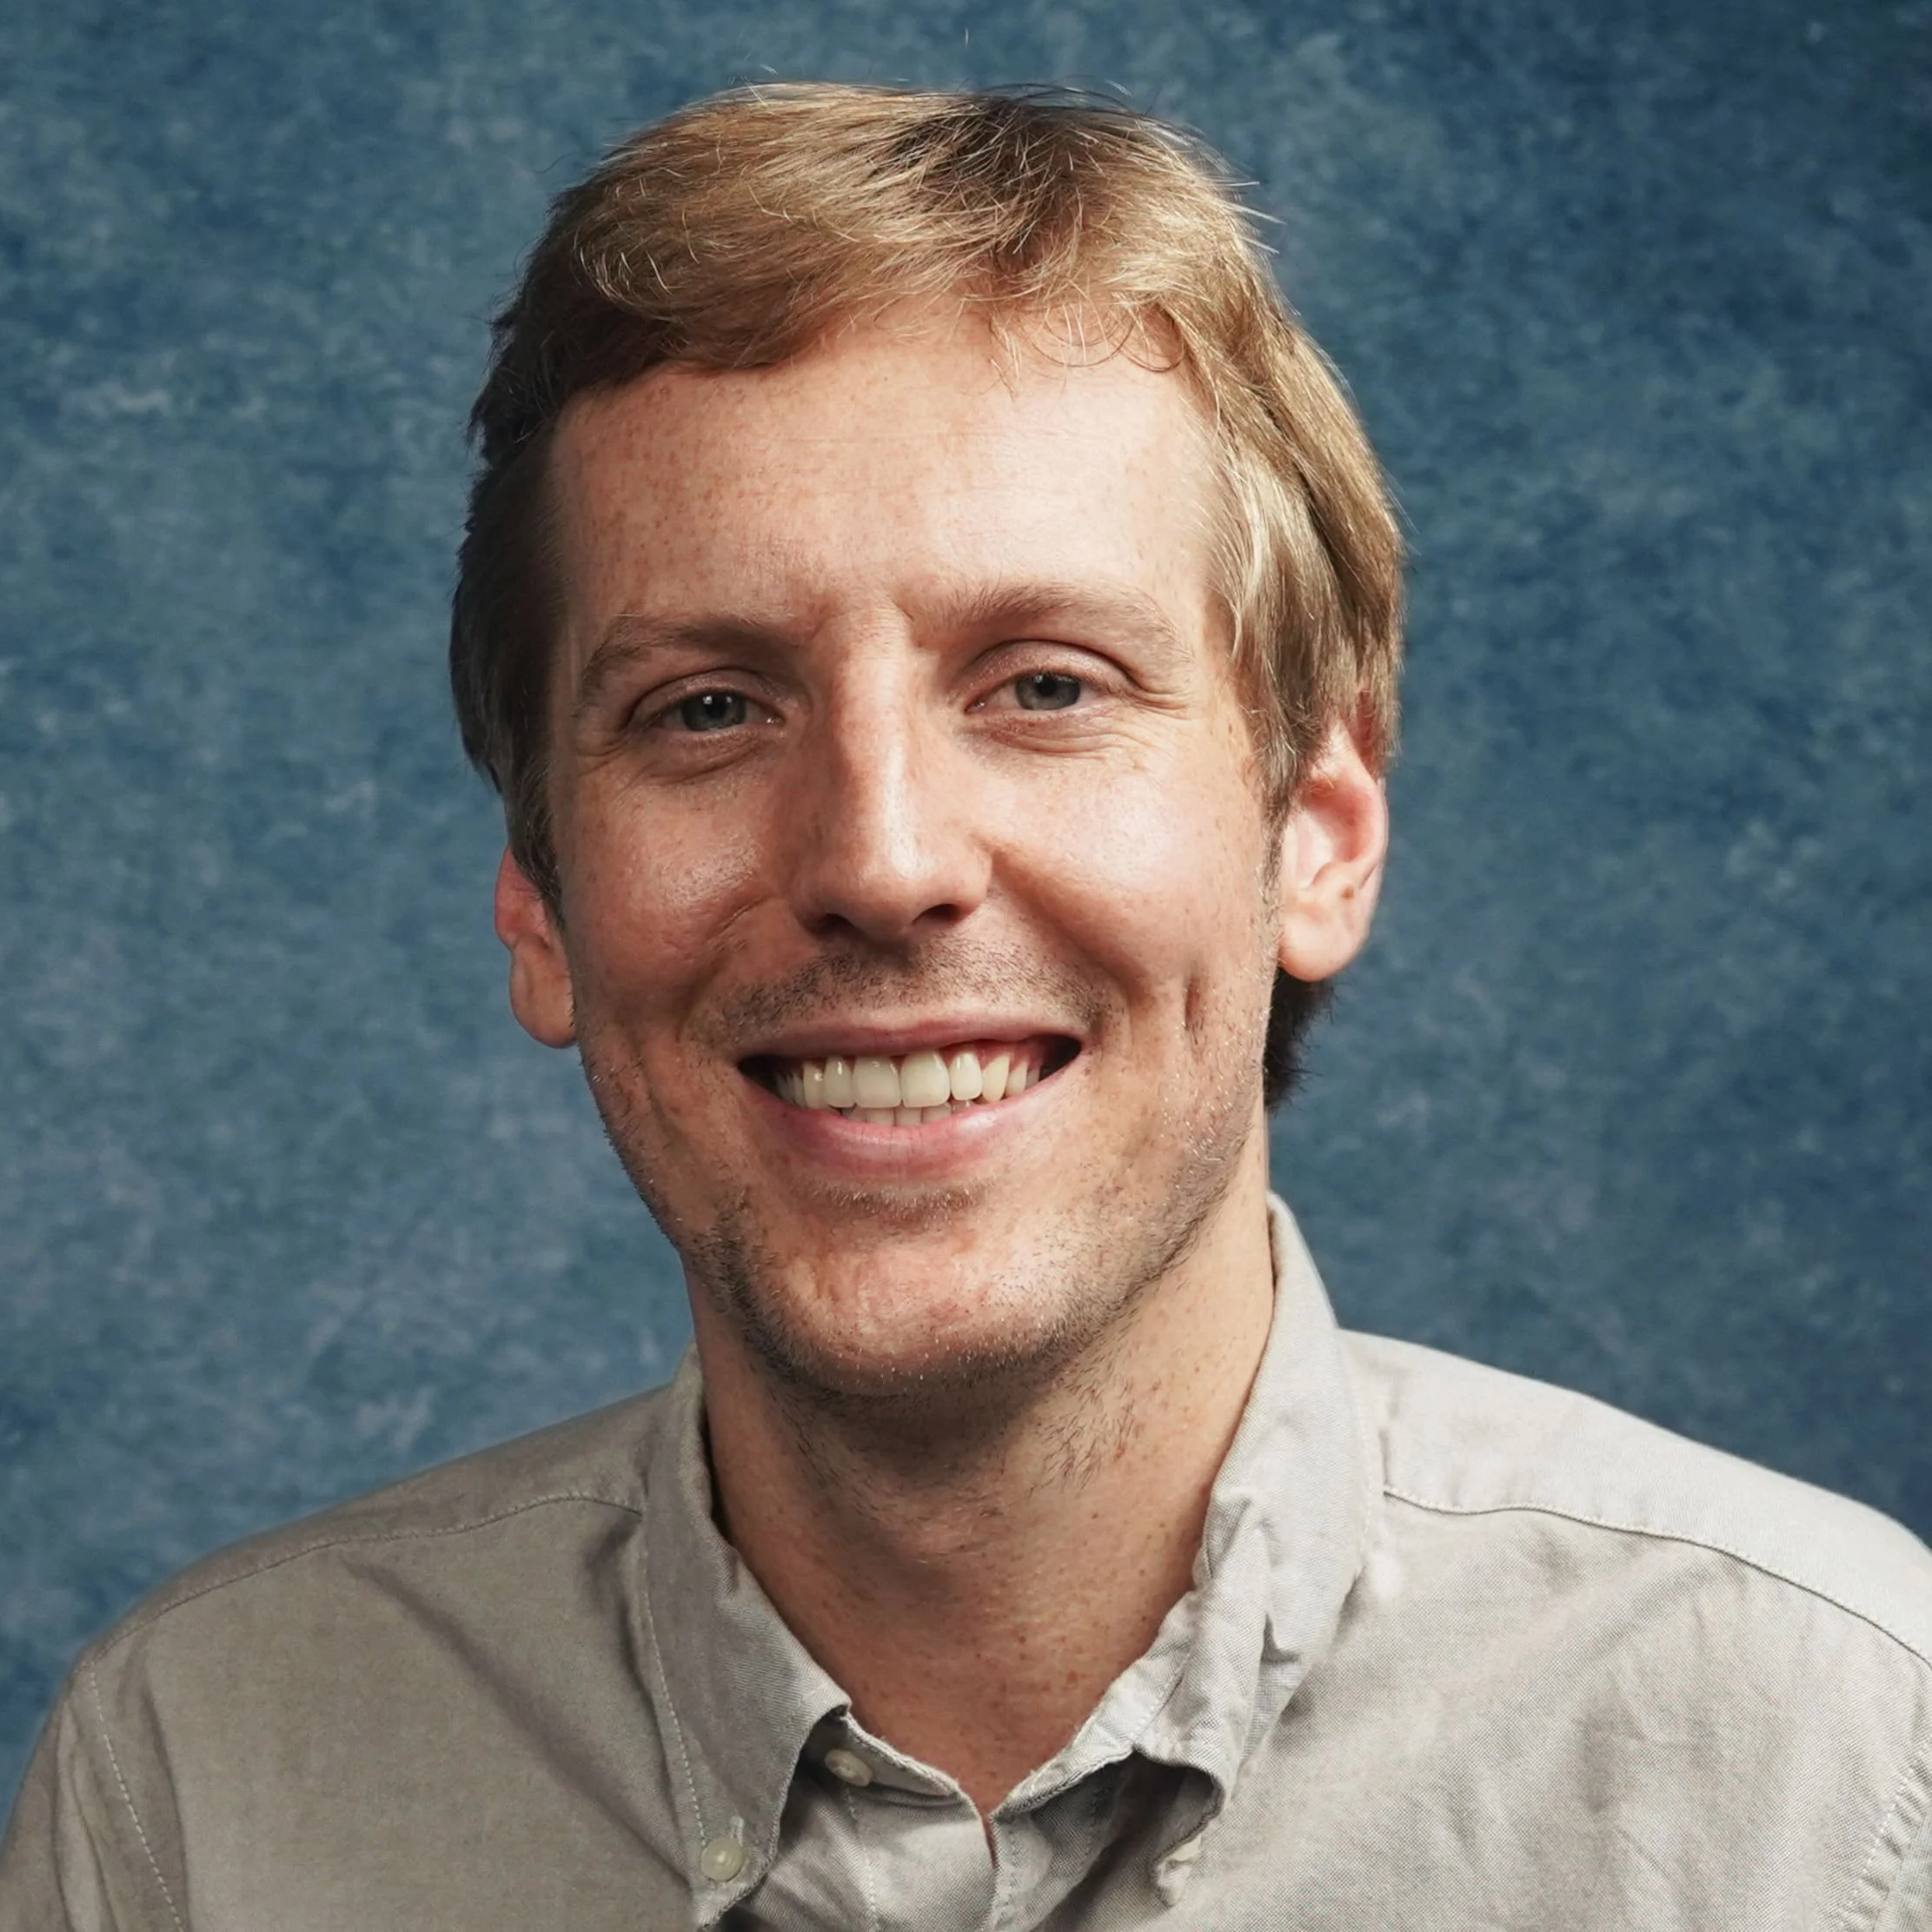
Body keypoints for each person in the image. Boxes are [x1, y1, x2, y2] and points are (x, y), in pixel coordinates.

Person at [3, 82, 1929, 1932]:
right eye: (708, 707)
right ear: (540, 903)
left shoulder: (1833, 1765)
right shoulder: (201, 1783)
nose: (881, 855)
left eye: (1046, 684)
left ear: (1317, 839)